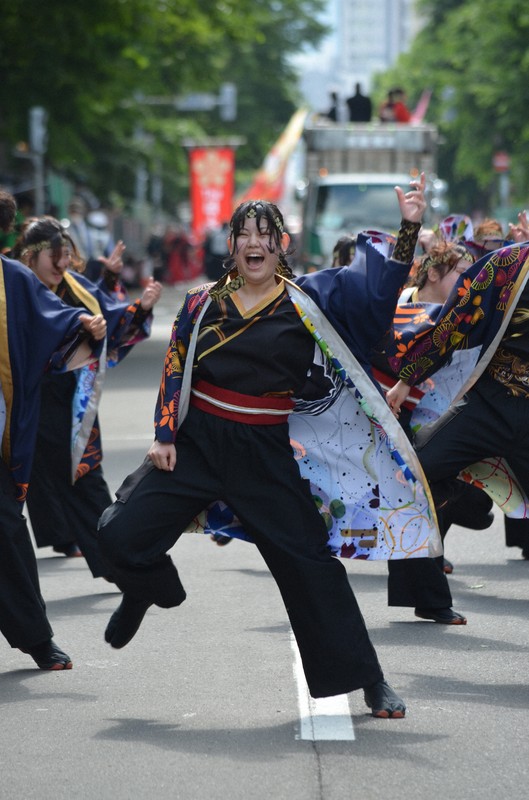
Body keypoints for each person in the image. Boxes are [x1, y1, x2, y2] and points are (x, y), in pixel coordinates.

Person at [97, 177, 429, 718]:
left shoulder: (310, 299)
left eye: (265, 233)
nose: (255, 242)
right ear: (231, 245)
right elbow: (177, 363)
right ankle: (147, 587)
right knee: (117, 533)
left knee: (311, 566)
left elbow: (378, 296)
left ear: (282, 245)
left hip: (265, 452)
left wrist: (409, 228)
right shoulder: (204, 303)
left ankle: (368, 679)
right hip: (199, 441)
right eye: (244, 233)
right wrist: (163, 433)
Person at [386, 236, 529, 621]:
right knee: (415, 474)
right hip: (488, 403)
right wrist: (407, 380)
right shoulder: (506, 265)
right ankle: (428, 597)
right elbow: (453, 325)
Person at [13, 217, 162, 579]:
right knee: (24, 492)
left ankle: (118, 566)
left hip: (68, 405)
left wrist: (138, 307)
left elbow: (107, 315)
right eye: (56, 256)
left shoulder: (73, 285)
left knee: (85, 482)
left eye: (66, 255)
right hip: (22, 403)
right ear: (31, 256)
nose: (63, 263)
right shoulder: (15, 284)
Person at [0, 190, 107, 670]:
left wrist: (85, 324)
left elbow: (58, 323)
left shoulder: (12, 282)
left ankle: (36, 638)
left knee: (6, 530)